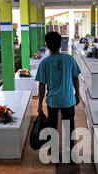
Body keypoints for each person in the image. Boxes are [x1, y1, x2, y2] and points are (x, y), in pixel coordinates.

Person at [35, 32, 81, 163]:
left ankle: (54, 154)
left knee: (52, 127)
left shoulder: (44, 63)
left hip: (53, 101)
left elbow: (41, 85)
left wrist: (39, 105)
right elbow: (75, 78)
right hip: (67, 100)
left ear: (47, 45)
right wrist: (77, 94)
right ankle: (70, 156)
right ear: (60, 44)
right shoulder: (69, 59)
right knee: (69, 127)